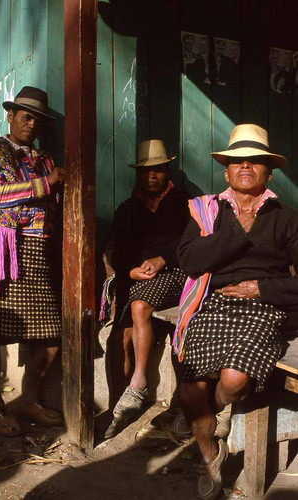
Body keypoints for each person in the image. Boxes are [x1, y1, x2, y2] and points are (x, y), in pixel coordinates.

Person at [174, 123, 298, 500]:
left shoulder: (286, 217)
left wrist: (260, 287)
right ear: (226, 171)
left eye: (255, 161)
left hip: (264, 309)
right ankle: (211, 455)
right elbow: (190, 262)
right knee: (190, 388)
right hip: (212, 304)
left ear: (268, 172)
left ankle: (214, 412)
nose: (246, 167)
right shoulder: (207, 212)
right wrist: (234, 233)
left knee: (233, 380)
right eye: (237, 162)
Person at [0, 86, 66, 436]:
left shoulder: (44, 159)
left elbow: (53, 207)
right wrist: (45, 185)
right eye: (26, 116)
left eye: (37, 119)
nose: (31, 124)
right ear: (10, 116)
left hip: (35, 250)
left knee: (50, 335)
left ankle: (30, 400)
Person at [103, 139, 190, 438]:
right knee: (120, 335)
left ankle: (138, 384)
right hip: (139, 278)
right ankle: (118, 404)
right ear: (139, 174)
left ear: (167, 171)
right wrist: (130, 270)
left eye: (158, 170)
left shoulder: (183, 202)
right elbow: (113, 250)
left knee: (139, 307)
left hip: (175, 273)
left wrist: (162, 258)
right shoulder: (128, 209)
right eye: (146, 171)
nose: (152, 175)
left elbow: (190, 242)